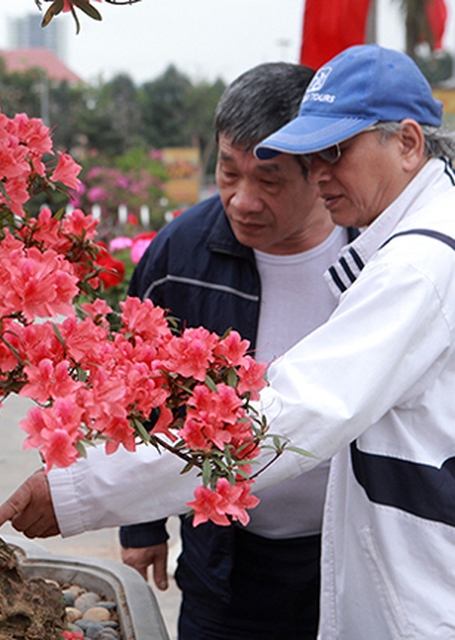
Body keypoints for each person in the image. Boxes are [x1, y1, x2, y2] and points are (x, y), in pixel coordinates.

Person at [0, 44, 455, 639]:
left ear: (408, 144)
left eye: (337, 151)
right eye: (313, 154)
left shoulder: (419, 266)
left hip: (451, 592)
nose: (322, 172)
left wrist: (78, 489)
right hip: (409, 570)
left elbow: (292, 412)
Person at [115, 62, 355, 640]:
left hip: (349, 550)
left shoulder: (376, 252)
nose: (242, 200)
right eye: (228, 172)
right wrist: (140, 522)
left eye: (269, 181)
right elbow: (133, 385)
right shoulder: (183, 252)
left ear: (319, 168)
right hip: (225, 560)